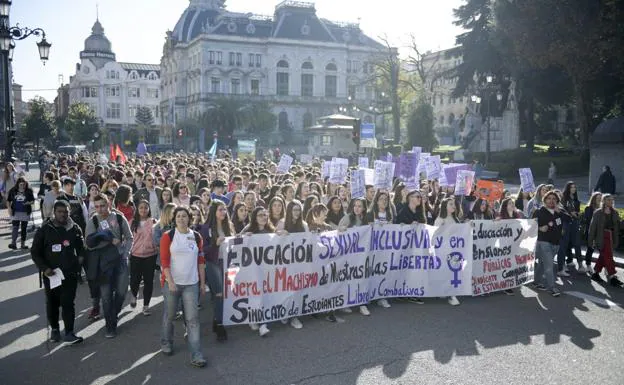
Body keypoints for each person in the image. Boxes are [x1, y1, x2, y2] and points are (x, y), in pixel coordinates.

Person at [31, 200, 85, 344]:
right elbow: (35, 252)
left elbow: (81, 247)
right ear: (54, 212)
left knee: (68, 303)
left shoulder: (74, 228)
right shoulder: (45, 229)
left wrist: (80, 259)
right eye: (60, 211)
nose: (63, 214)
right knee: (53, 303)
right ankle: (55, 329)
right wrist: (44, 268)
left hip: (69, 274)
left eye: (66, 211)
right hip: (51, 274)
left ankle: (69, 332)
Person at [159, 206, 207, 367]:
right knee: (170, 316)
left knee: (192, 319)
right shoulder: (168, 236)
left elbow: (201, 261)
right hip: (172, 284)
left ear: (189, 218)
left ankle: (196, 354)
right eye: (178, 216)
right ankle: (166, 342)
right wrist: (170, 281)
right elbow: (164, 261)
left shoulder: (197, 236)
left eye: (184, 216)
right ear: (174, 219)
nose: (181, 219)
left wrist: (202, 283)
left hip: (191, 284)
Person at [85, 193, 134, 338]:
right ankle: (110, 325)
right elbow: (88, 244)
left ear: (109, 204)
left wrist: (125, 253)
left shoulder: (118, 217)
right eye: (97, 206)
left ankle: (114, 313)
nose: (100, 209)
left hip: (120, 260)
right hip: (102, 264)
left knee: (121, 292)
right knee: (106, 296)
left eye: (103, 206)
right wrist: (105, 240)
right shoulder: (92, 221)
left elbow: (130, 237)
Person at [532, 191, 564, 297]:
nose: (551, 200)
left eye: (554, 199)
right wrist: (540, 228)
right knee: (549, 265)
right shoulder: (539, 212)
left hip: (556, 243)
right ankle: (551, 288)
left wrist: (560, 212)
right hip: (543, 242)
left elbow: (569, 219)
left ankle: (536, 282)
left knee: (542, 263)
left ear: (557, 201)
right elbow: (530, 226)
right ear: (544, 200)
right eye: (549, 198)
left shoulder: (558, 212)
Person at [129, 200, 158, 316]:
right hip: (135, 255)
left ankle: (146, 306)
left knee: (148, 281)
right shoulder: (132, 222)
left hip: (150, 255)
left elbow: (157, 237)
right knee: (135, 279)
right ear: (137, 209)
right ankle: (134, 295)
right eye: (141, 207)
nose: (143, 210)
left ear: (149, 209)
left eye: (146, 208)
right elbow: (128, 238)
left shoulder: (153, 222)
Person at [588, 194, 623, 287]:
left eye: (612, 200)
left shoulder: (615, 212)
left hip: (611, 236)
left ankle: (595, 274)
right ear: (603, 201)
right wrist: (591, 241)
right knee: (608, 256)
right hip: (601, 237)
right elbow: (592, 228)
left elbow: (618, 226)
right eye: (608, 200)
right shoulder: (598, 212)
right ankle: (612, 276)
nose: (610, 202)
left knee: (603, 256)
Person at [6, 177, 35, 250]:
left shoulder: (29, 191)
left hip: (25, 212)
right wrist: (9, 208)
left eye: (23, 184)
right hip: (15, 211)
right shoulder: (13, 190)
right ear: (18, 184)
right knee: (15, 228)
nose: (22, 185)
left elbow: (32, 201)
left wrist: (28, 202)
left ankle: (23, 244)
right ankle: (13, 243)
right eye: (20, 184)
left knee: (24, 228)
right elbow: (8, 200)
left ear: (25, 184)